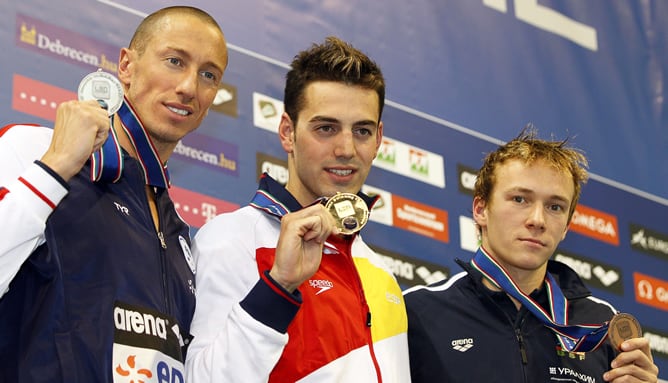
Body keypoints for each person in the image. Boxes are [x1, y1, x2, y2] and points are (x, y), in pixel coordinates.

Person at [0, 6, 228, 382]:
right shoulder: (36, 151)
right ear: (126, 66)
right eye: (174, 61)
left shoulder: (179, 235)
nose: (189, 87)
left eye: (208, 74)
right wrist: (54, 168)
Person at [186, 36, 410, 382]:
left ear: (379, 139)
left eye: (362, 131)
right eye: (326, 128)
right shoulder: (234, 239)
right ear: (288, 132)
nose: (346, 149)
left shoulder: (382, 273)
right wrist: (278, 286)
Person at [403, 127, 659, 382]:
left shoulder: (600, 326)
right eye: (520, 199)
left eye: (555, 207)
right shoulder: (417, 313)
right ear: (481, 209)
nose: (538, 220)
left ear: (567, 227)